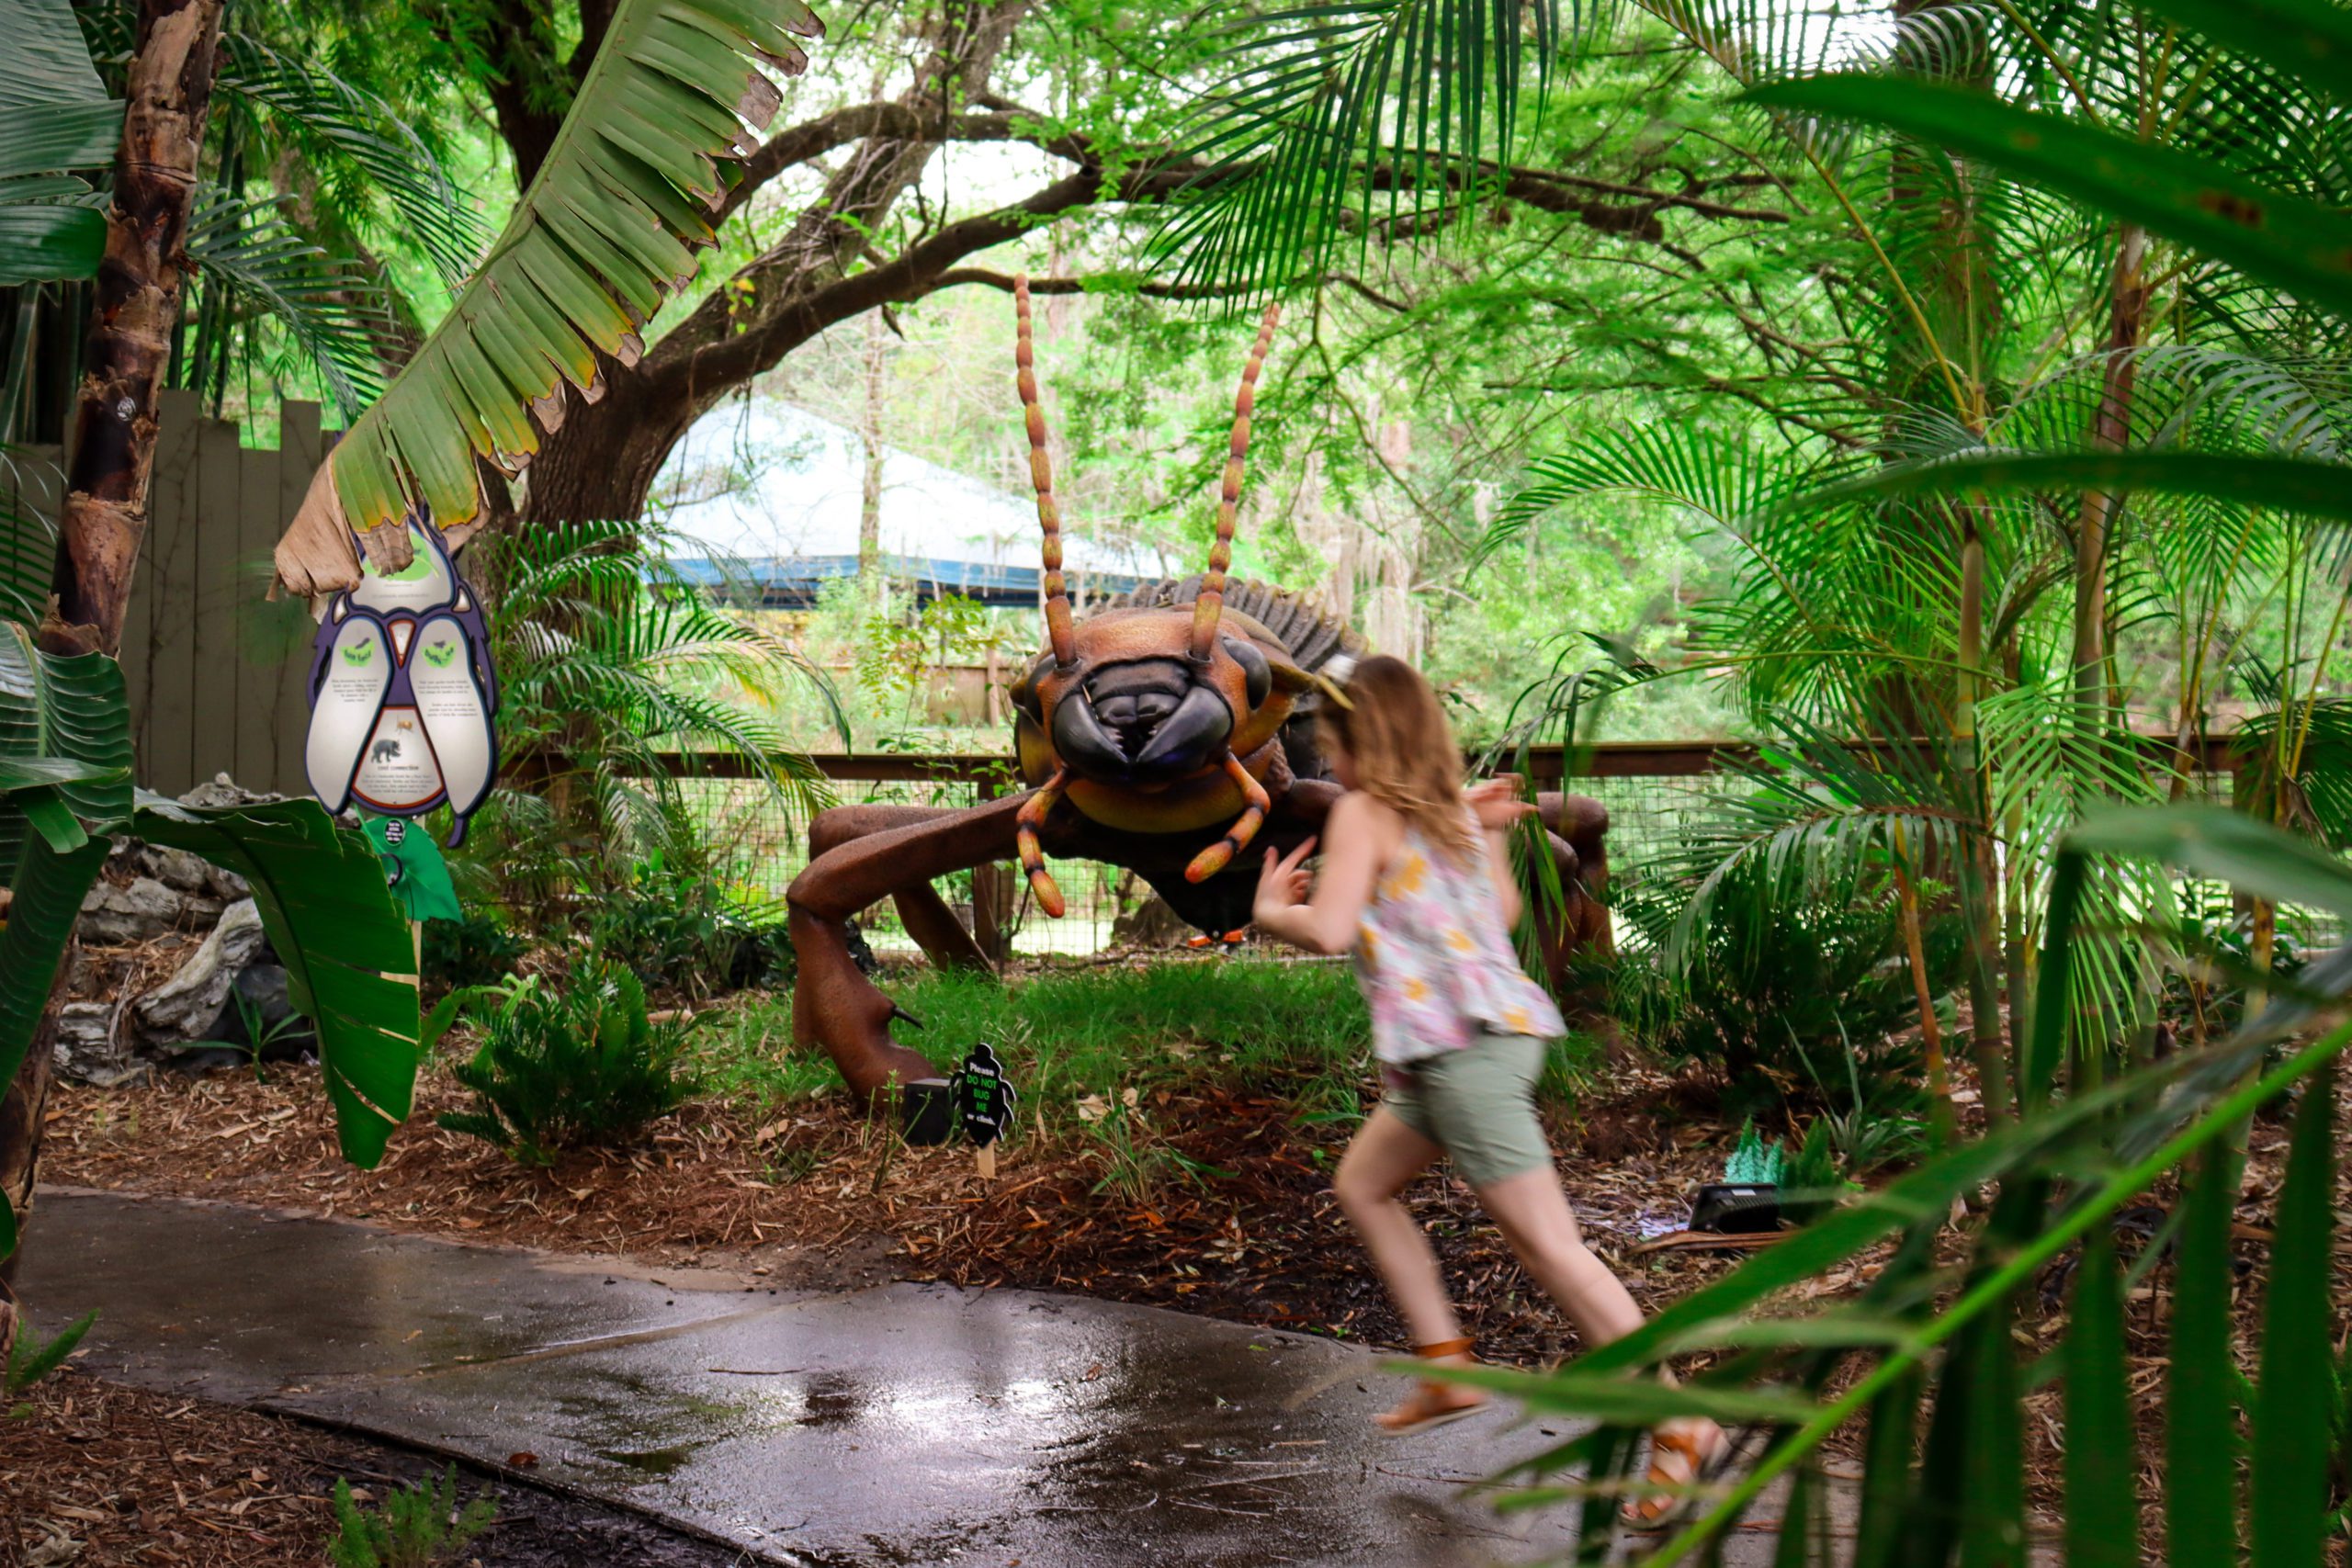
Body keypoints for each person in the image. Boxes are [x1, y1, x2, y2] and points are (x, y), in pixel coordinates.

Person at [1249, 654, 1729, 1529]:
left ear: (1365, 739)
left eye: (1331, 747)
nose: (1329, 768)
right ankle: (1441, 1363)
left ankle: (1681, 1420)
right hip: (1470, 1049)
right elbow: (1500, 914)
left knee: (1554, 1250)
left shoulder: (1366, 813)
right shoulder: (1459, 818)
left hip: (1463, 1056)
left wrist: (1271, 907)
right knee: (1364, 1184)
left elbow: (1323, 930)